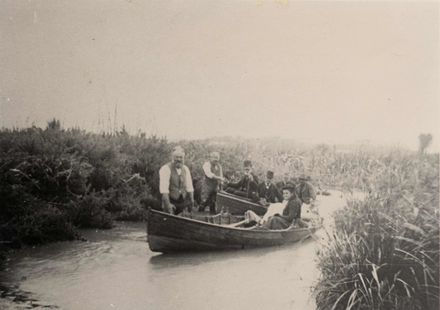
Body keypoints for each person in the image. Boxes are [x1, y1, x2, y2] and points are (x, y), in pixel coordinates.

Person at [159, 146, 195, 215]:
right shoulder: (165, 169)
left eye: (181, 157)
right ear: (172, 158)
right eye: (176, 157)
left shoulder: (186, 169)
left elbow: (190, 188)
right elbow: (164, 191)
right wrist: (168, 205)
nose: (179, 159)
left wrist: (191, 202)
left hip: (182, 202)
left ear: (184, 158)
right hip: (170, 201)